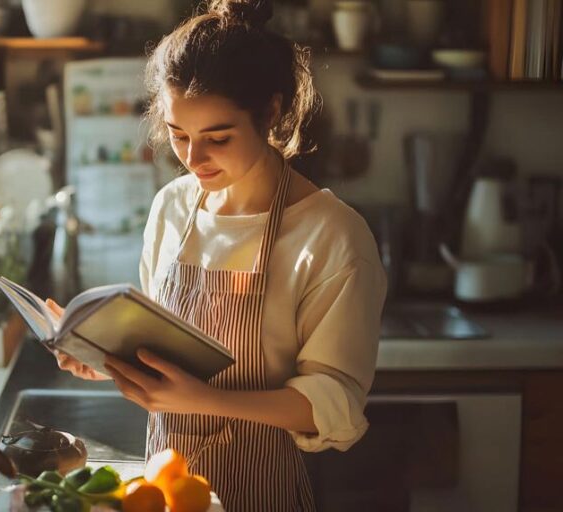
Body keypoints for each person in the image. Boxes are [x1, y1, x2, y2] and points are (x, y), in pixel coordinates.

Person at [48, 0, 387, 510]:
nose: (193, 158)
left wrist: (205, 401)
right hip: (165, 491)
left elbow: (334, 404)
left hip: (264, 494)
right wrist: (104, 355)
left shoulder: (331, 236)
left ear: (270, 113)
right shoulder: (172, 207)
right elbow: (158, 337)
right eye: (179, 135)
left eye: (218, 137)